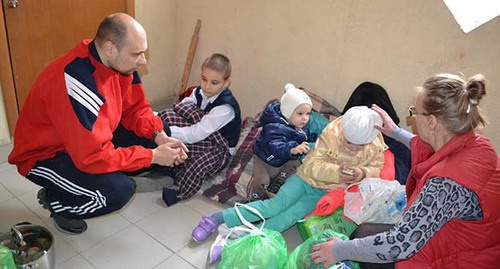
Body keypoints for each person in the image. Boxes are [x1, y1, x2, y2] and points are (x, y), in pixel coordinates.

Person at [8, 13, 188, 235]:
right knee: (118, 191)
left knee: (158, 132)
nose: (143, 61)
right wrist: (151, 157)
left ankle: (102, 177)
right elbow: (91, 157)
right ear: (110, 48)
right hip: (45, 154)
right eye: (138, 54)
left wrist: (159, 136)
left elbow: (136, 109)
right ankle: (58, 202)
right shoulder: (77, 81)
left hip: (85, 140)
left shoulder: (119, 64)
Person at [311, 73, 500, 269]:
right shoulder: (477, 144)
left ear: (432, 122)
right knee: (362, 233)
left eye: (414, 112)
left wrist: (338, 250)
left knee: (364, 250)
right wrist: (396, 133)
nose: (413, 117)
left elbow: (399, 244)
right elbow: (438, 152)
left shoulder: (446, 183)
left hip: (463, 259)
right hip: (469, 242)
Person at [192, 105, 388, 264]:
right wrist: (337, 172)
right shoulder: (333, 132)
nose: (353, 148)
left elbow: (376, 171)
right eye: (349, 141)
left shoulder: (375, 144)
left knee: (287, 219)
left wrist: (362, 173)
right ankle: (215, 219)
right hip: (304, 180)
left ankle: (238, 240)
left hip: (322, 193)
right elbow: (311, 165)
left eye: (359, 145)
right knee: (274, 206)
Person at [158, 53, 242, 206]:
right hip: (202, 132)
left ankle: (178, 186)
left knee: (198, 164)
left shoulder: (225, 107)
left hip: (218, 147)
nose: (207, 86)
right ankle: (166, 162)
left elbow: (196, 134)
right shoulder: (199, 91)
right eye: (204, 79)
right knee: (166, 115)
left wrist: (165, 131)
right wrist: (158, 121)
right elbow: (183, 106)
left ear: (226, 83)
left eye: (214, 82)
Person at [249, 83, 317, 201]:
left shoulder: (298, 124)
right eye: (300, 114)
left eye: (308, 114)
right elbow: (275, 146)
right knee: (262, 181)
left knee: (297, 163)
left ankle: (277, 183)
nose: (305, 118)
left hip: (283, 159)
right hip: (264, 159)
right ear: (287, 111)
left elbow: (305, 137)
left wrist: (313, 141)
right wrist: (292, 149)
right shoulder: (274, 126)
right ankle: (254, 201)